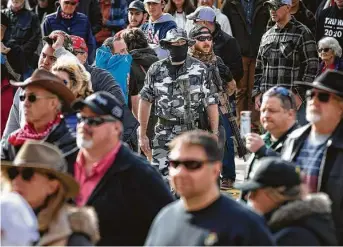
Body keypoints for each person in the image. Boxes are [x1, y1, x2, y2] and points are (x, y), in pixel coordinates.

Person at [71, 91, 174, 245]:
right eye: (81, 118)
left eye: (94, 121)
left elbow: (168, 229)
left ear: (116, 129)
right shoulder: (65, 162)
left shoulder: (140, 175)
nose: (83, 125)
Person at [145, 130, 274, 245]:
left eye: (192, 164)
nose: (180, 172)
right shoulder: (165, 218)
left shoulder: (245, 224)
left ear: (216, 170)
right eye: (175, 164)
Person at [139, 28, 219, 180]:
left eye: (182, 43)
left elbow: (211, 102)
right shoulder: (156, 69)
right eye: (174, 43)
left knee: (190, 177)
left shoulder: (200, 69)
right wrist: (142, 134)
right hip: (163, 132)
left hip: (191, 132)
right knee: (160, 182)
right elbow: (145, 100)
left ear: (188, 44)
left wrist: (214, 133)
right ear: (167, 46)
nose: (178, 46)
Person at [281, 70, 343, 245]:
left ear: (341, 106)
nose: (313, 100)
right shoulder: (293, 139)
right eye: (310, 95)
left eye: (323, 97)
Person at [1, 140, 100, 246]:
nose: (16, 181)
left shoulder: (73, 237)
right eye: (13, 173)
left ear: (52, 186)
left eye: (27, 174)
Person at [236, 157, 338, 246]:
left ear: (276, 194)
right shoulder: (283, 224)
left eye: (254, 192)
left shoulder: (295, 237)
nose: (248, 197)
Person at [253, 0, 318, 126]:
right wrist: (257, 94)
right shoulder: (267, 35)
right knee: (271, 142)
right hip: (269, 102)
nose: (272, 10)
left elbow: (312, 66)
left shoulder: (303, 32)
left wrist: (299, 94)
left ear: (288, 7)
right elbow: (259, 68)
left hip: (292, 104)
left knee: (294, 142)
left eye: (276, 6)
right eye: (269, 7)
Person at [188, 25, 238, 189]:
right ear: (192, 41)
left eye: (209, 38)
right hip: (194, 109)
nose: (206, 42)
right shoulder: (187, 62)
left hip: (219, 107)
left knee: (225, 141)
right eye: (201, 39)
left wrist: (227, 76)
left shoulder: (218, 61)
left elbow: (232, 89)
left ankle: (228, 176)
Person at [1, 69, 78, 168]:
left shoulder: (70, 143)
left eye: (32, 98)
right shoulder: (12, 140)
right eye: (22, 97)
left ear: (53, 103)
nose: (25, 103)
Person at [242, 86, 299, 200]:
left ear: (290, 114)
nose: (266, 115)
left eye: (272, 110)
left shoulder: (302, 141)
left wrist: (263, 152)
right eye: (263, 110)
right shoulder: (262, 140)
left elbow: (296, 174)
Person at [221, 0, 269, 127]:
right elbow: (226, 29)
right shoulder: (230, 3)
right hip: (240, 52)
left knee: (255, 90)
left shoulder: (264, 3)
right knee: (241, 91)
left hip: (259, 51)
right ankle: (244, 126)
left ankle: (255, 125)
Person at [186, 6, 243, 82]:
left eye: (195, 21)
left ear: (204, 22)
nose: (193, 24)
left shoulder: (229, 42)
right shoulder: (194, 38)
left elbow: (238, 73)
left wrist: (218, 80)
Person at [122, 28, 159, 118]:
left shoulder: (128, 64)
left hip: (140, 115)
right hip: (159, 112)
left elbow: (134, 97)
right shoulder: (158, 61)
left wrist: (139, 125)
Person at [51, 54, 93, 132]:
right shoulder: (45, 115)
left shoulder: (84, 122)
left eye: (63, 82)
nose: (56, 86)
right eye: (53, 81)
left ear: (77, 86)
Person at [2, 0, 41, 78]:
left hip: (25, 62)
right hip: (3, 60)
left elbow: (35, 39)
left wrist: (20, 52)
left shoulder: (32, 17)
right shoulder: (2, 14)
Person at [95, 37, 132, 104]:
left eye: (126, 49)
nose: (126, 53)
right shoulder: (123, 65)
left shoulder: (95, 69)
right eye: (122, 51)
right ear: (111, 53)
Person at [1, 13, 20, 137]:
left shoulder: (13, 48)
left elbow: (17, 75)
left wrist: (4, 57)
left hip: (7, 91)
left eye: (1, 28)